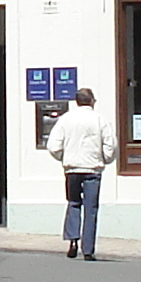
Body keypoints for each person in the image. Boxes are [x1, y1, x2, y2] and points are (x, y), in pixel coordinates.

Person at [45, 86, 110, 260]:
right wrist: (105, 159)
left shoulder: (66, 119)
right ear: (91, 101)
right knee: (91, 209)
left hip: (72, 169)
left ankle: (72, 240)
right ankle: (88, 250)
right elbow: (110, 145)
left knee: (73, 202)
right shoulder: (99, 120)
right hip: (92, 169)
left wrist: (63, 157)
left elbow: (53, 145)